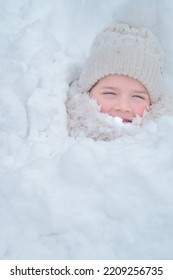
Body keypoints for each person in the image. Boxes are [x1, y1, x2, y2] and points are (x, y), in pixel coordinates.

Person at [66, 23, 173, 141]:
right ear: (88, 92)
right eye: (110, 93)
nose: (123, 107)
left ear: (152, 103)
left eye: (137, 96)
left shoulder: (163, 145)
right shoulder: (59, 132)